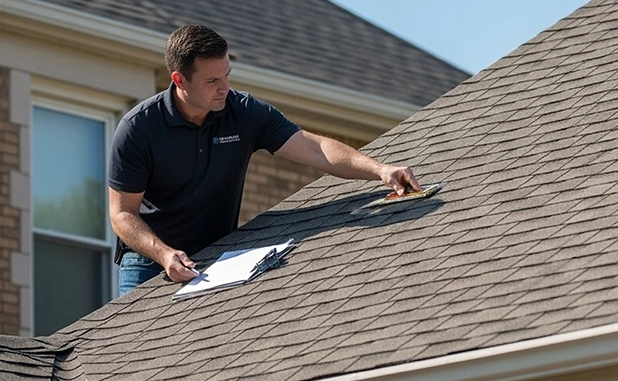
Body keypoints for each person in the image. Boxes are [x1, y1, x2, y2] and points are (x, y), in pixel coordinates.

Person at [108, 24, 421, 295]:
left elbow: (315, 148)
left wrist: (379, 170)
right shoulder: (140, 128)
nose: (224, 88)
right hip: (149, 262)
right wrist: (163, 254)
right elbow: (122, 214)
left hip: (217, 254)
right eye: (212, 81)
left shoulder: (243, 112)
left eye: (227, 76)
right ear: (179, 80)